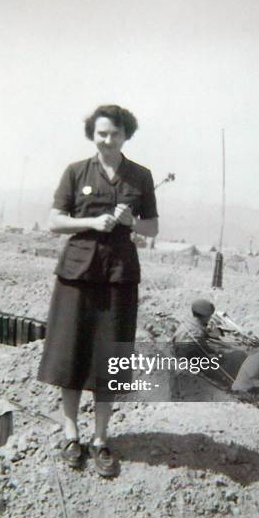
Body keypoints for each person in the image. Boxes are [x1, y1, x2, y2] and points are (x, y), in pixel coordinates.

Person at [37, 105, 159, 476]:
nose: (108, 140)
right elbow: (54, 221)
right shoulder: (76, 171)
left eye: (115, 134)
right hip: (76, 274)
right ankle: (71, 432)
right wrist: (91, 220)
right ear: (93, 134)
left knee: (110, 355)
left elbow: (152, 228)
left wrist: (131, 221)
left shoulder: (141, 176)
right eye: (101, 133)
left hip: (119, 276)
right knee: (70, 352)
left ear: (126, 136)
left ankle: (101, 439)